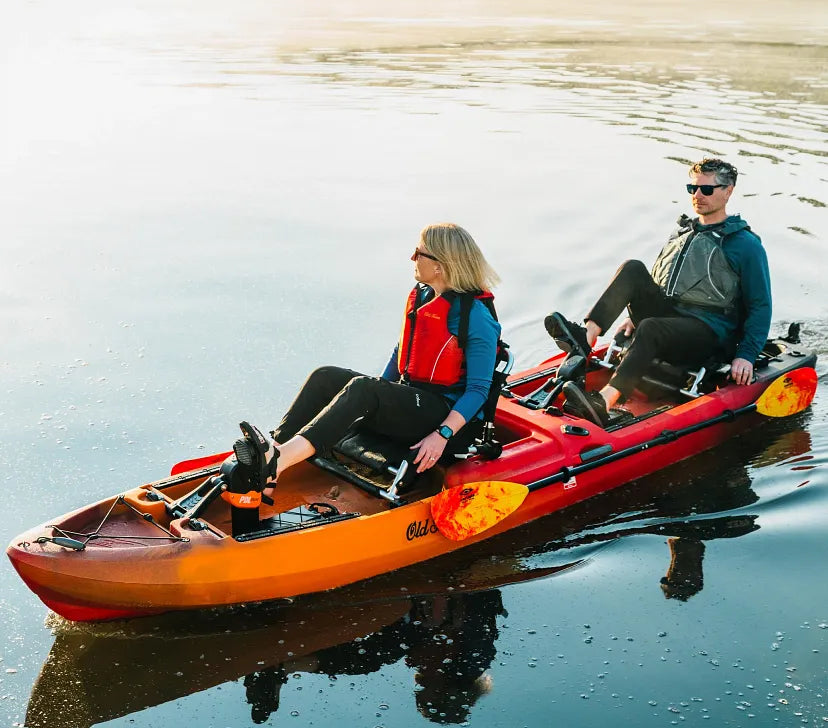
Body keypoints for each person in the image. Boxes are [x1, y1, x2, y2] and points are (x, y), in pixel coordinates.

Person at [233, 223, 501, 494]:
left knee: (363, 389)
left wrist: (442, 434)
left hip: (443, 413)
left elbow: (478, 390)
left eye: (419, 253)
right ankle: (275, 456)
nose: (412, 258)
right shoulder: (424, 296)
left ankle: (277, 462)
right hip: (412, 400)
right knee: (325, 376)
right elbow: (401, 353)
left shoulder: (476, 317)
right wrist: (376, 396)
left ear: (440, 266)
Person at [546, 157, 772, 428]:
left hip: (709, 334)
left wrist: (746, 355)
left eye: (706, 189)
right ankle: (586, 337)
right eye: (693, 188)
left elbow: (760, 306)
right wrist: (631, 316)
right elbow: (660, 282)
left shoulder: (745, 245)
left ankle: (603, 401)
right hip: (672, 319)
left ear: (728, 191)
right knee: (632, 268)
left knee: (651, 328)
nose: (697, 195)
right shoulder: (684, 232)